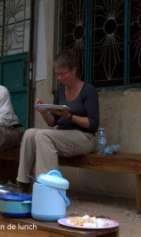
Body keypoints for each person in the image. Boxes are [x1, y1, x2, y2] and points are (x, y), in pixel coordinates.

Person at [17, 49, 99, 189]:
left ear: (74, 71)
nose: (59, 78)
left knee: (42, 135)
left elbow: (93, 124)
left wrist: (70, 116)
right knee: (30, 133)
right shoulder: (60, 91)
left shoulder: (88, 90)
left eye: (62, 74)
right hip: (61, 135)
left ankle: (47, 188)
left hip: (84, 138)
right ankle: (23, 183)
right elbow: (53, 122)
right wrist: (43, 110)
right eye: (57, 75)